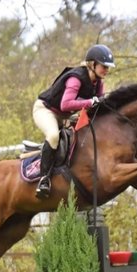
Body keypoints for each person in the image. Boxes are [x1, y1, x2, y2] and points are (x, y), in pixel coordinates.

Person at [31, 44, 115, 198]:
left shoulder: (98, 83)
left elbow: (97, 105)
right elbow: (66, 104)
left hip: (65, 115)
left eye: (108, 67)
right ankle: (44, 180)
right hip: (46, 110)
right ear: (92, 64)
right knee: (53, 136)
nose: (106, 70)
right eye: (104, 66)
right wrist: (90, 102)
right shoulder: (76, 78)